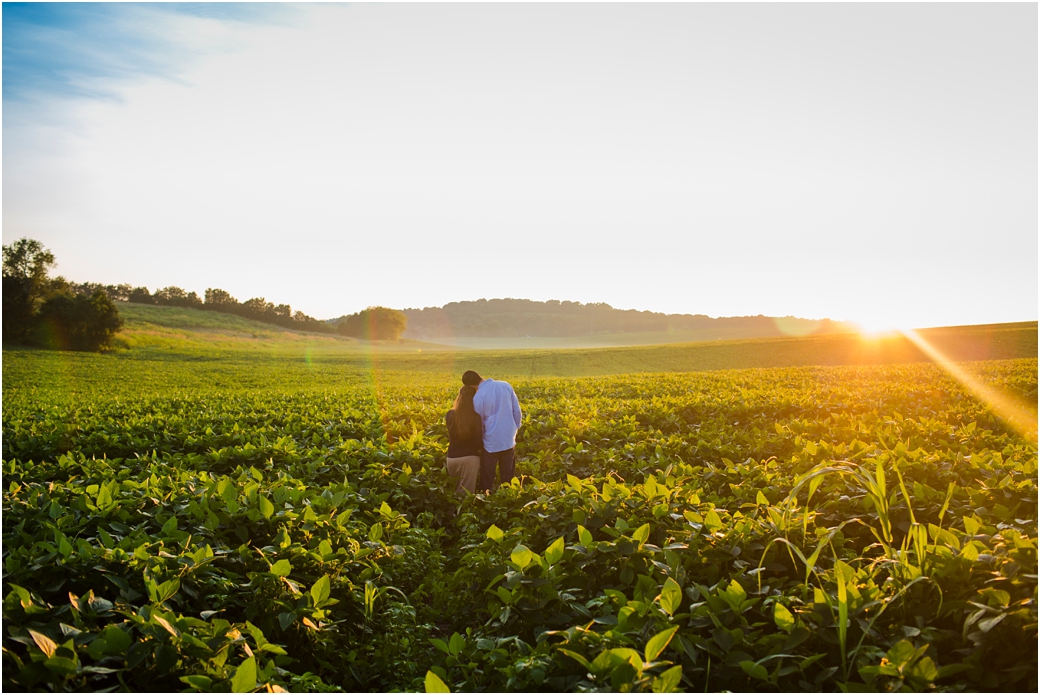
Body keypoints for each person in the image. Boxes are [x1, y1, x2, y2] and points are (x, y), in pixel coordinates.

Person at [463, 370, 522, 493]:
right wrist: (514, 429)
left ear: (471, 386)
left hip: (490, 441)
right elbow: (517, 411)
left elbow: (479, 422)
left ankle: (486, 499)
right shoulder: (505, 385)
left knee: (487, 475)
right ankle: (509, 498)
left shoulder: (478, 396)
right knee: (508, 475)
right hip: (508, 439)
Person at [445, 385, 482, 494]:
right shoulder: (476, 417)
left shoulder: (450, 414)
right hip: (470, 458)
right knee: (466, 495)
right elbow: (478, 443)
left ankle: (452, 511)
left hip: (452, 458)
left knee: (454, 492)